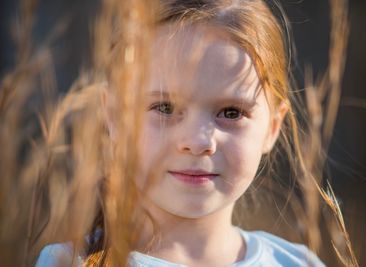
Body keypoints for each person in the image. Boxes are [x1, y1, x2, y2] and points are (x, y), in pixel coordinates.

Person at [36, 0, 327, 266]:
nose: (198, 142)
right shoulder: (68, 262)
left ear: (272, 127)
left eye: (231, 112)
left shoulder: (299, 263)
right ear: (114, 115)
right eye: (164, 107)